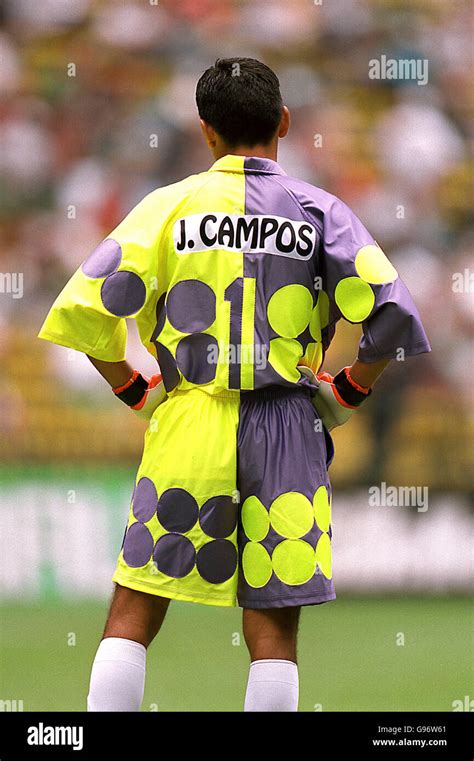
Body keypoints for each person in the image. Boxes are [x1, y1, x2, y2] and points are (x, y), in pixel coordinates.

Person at [38, 57, 431, 712]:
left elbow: (82, 310)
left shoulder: (167, 207)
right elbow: (393, 312)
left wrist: (135, 389)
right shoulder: (319, 210)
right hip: (289, 427)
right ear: (283, 121)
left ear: (206, 133)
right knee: (272, 626)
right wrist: (347, 391)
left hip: (189, 418)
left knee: (136, 607)